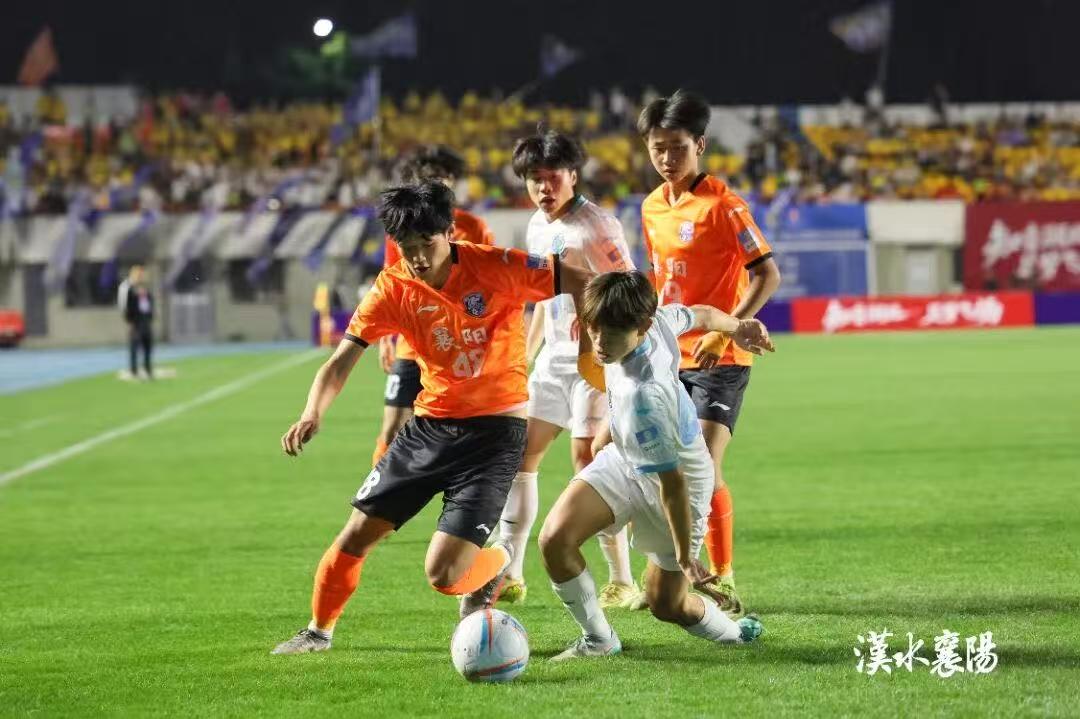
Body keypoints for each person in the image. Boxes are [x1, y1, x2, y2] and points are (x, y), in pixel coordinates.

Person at [272, 181, 594, 655]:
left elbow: (582, 279)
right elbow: (341, 360)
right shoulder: (393, 287)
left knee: (443, 576)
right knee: (356, 533)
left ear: (449, 233)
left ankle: (499, 560)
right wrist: (311, 412)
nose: (418, 258)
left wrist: (589, 348)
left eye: (427, 244)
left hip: (495, 434)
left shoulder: (498, 266)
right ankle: (318, 633)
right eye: (407, 248)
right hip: (428, 429)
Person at [539, 271, 773, 660]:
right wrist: (738, 327)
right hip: (629, 459)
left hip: (681, 482)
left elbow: (672, 484)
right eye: (594, 328)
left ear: (642, 327)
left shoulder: (644, 398)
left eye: (612, 333)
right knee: (554, 540)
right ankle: (599, 640)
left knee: (667, 606)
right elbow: (703, 314)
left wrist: (686, 558)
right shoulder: (659, 321)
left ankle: (735, 632)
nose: (600, 342)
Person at [635, 90, 782, 615]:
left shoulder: (725, 205)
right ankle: (665, 572)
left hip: (720, 359)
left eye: (677, 147)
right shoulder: (651, 206)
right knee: (658, 466)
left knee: (703, 467)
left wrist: (728, 331)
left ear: (699, 145)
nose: (667, 157)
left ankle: (722, 574)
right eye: (658, 147)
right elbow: (659, 280)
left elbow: (767, 274)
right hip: (668, 354)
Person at [493, 129, 638, 608]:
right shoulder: (537, 225)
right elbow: (541, 296)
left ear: (573, 175)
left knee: (588, 461)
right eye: (534, 179)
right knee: (521, 455)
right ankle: (511, 572)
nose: (543, 187)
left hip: (593, 359)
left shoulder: (597, 226)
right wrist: (526, 353)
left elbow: (628, 288)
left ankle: (622, 579)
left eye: (552, 177)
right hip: (552, 360)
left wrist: (606, 347)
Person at [372, 146, 496, 468]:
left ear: (453, 182)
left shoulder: (475, 227)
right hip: (413, 343)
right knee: (393, 427)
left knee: (466, 436)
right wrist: (386, 335)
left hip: (460, 346)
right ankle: (378, 493)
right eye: (429, 179)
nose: (438, 184)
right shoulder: (401, 231)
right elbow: (391, 283)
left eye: (444, 178)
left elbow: (490, 285)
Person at [122, 265, 154, 380]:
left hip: (145, 320)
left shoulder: (146, 288)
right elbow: (127, 306)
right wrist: (129, 320)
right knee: (134, 347)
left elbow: (150, 302)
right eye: (138, 274)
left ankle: (148, 369)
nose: (141, 277)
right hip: (135, 321)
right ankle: (134, 370)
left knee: (148, 346)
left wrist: (150, 316)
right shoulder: (129, 289)